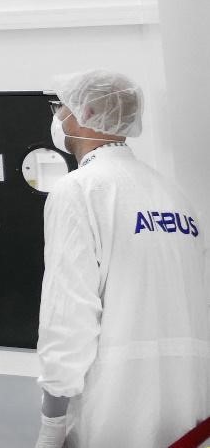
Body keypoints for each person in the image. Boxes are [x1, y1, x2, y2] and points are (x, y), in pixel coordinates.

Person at [35, 70, 210, 448]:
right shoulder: (174, 195)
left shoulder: (79, 191)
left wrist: (52, 422)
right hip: (189, 406)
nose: (58, 117)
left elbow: (67, 316)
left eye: (61, 107)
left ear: (88, 112)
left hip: (116, 409)